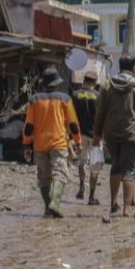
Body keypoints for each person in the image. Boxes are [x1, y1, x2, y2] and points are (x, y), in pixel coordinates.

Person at [93, 55, 135, 218]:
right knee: (129, 169)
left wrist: (97, 134)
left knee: (115, 166)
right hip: (131, 133)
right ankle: (126, 209)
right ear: (134, 68)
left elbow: (100, 112)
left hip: (111, 133)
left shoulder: (107, 84)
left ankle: (114, 204)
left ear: (120, 67)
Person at [22, 66, 81, 218]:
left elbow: (28, 126)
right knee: (60, 174)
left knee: (43, 178)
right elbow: (73, 124)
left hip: (40, 145)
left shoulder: (34, 100)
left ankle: (48, 209)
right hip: (59, 143)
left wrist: (27, 145)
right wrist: (78, 141)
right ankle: (54, 203)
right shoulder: (65, 99)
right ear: (57, 83)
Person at [72, 71, 101, 205]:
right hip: (96, 136)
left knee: (82, 161)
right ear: (94, 82)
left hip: (80, 134)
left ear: (84, 80)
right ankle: (91, 197)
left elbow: (71, 117)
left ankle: (82, 184)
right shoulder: (99, 96)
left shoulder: (75, 95)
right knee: (95, 166)